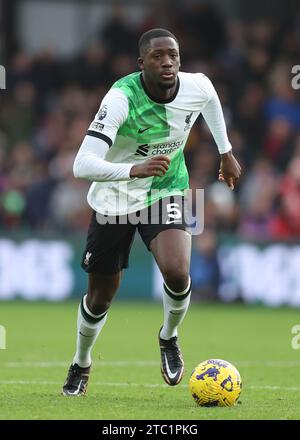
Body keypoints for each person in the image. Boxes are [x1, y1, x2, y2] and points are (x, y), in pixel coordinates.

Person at [62, 28, 241, 396]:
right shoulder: (120, 98)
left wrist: (225, 151)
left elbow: (210, 99)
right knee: (99, 298)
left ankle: (169, 337)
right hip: (114, 199)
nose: (168, 62)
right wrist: (132, 169)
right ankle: (81, 361)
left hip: (169, 187)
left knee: (177, 272)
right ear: (141, 63)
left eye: (173, 55)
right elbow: (82, 165)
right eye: (158, 56)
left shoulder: (197, 85)